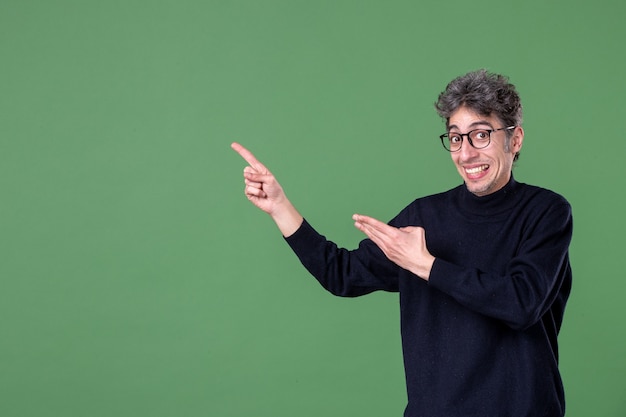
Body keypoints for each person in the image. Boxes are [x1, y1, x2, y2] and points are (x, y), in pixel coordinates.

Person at [231, 69, 573, 417]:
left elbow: (521, 303)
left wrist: (425, 264)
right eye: (456, 138)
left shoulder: (546, 212)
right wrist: (279, 206)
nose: (466, 153)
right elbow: (341, 274)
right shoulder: (425, 215)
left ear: (514, 140)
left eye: (481, 135)